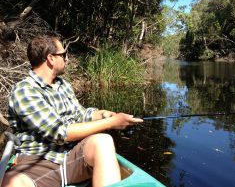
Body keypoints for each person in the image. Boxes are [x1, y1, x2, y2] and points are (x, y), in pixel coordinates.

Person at [2, 35, 143, 187]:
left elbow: (81, 114)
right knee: (13, 183)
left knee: (103, 141)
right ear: (51, 58)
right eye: (64, 55)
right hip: (37, 162)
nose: (67, 59)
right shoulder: (25, 91)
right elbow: (60, 132)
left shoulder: (63, 85)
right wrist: (110, 123)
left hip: (70, 157)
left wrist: (105, 115)